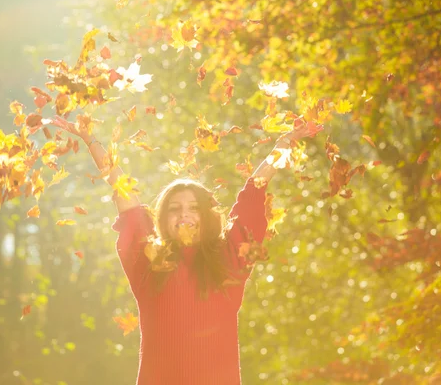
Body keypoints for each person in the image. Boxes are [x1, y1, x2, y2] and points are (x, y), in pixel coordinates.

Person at [53, 116, 323, 385]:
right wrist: (91, 141)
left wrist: (285, 144)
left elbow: (253, 193)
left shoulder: (229, 258)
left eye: (194, 208)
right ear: (162, 219)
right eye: (175, 209)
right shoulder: (148, 261)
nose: (185, 216)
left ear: (207, 215)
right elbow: (126, 197)